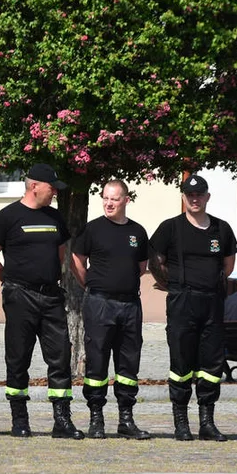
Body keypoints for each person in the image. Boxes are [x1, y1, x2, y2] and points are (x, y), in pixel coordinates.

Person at [0, 163, 82, 439]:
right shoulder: (8, 217)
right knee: (18, 358)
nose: (54, 194)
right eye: (52, 188)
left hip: (51, 295)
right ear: (34, 186)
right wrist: (11, 281)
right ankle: (20, 419)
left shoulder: (55, 217)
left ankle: (62, 420)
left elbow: (61, 254)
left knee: (60, 357)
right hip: (20, 295)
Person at [148, 174, 237, 441]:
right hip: (182, 302)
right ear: (184, 197)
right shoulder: (170, 228)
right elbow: (155, 262)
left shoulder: (221, 229)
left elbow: (228, 265)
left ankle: (207, 422)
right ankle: (181, 422)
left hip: (211, 301)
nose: (194, 199)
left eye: (199, 195)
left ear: (207, 197)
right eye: (189, 194)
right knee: (181, 363)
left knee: (211, 365)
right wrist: (173, 285)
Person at [69, 180, 151, 440]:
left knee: (128, 363)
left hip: (129, 305)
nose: (109, 203)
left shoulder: (137, 232)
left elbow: (141, 267)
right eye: (105, 197)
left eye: (114, 198)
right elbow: (77, 263)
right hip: (99, 304)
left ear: (126, 200)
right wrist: (94, 286)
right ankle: (96, 418)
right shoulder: (92, 229)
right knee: (97, 361)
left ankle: (126, 420)